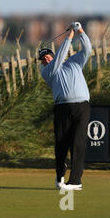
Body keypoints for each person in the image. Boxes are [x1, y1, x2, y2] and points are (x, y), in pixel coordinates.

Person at [39, 21, 92, 191]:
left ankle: (75, 181)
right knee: (61, 143)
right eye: (43, 59)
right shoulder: (48, 72)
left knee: (78, 143)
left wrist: (80, 31)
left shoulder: (75, 62)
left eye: (48, 56)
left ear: (52, 55)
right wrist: (69, 36)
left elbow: (87, 50)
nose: (46, 59)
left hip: (82, 107)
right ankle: (59, 176)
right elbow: (60, 57)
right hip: (62, 107)